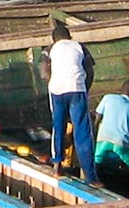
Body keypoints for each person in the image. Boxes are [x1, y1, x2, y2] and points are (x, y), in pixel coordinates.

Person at [40, 24, 97, 183]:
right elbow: (90, 72)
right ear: (69, 36)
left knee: (58, 127)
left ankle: (57, 167)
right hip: (77, 89)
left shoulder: (49, 49)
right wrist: (84, 88)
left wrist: (54, 83)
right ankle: (91, 177)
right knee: (83, 132)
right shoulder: (80, 47)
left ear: (54, 39)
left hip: (57, 90)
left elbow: (44, 74)